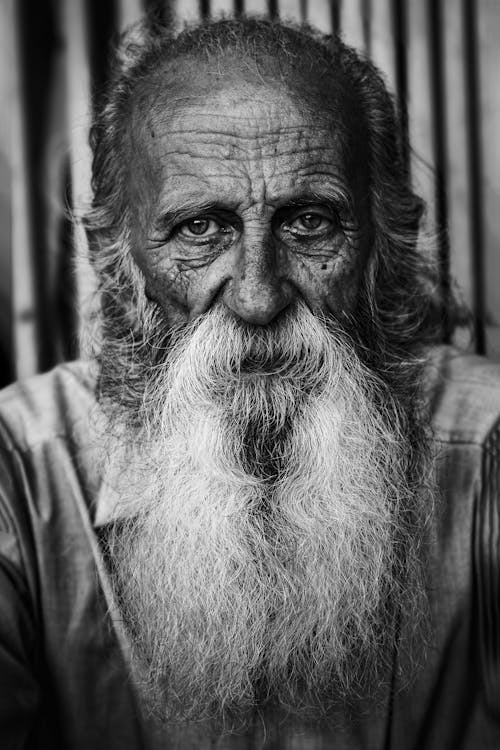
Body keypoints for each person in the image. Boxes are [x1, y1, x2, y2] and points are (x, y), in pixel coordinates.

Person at [0, 15, 499, 750]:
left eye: (309, 222)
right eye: (201, 229)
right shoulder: (20, 469)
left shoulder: (487, 448)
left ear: (388, 244)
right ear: (115, 255)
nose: (259, 297)